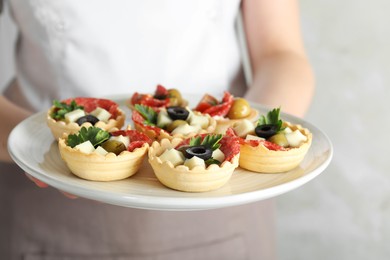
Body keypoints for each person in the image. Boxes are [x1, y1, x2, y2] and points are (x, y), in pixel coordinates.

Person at [0, 0, 314, 259]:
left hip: (221, 197)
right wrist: (33, 142)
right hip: (44, 199)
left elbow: (280, 53)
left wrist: (259, 138)